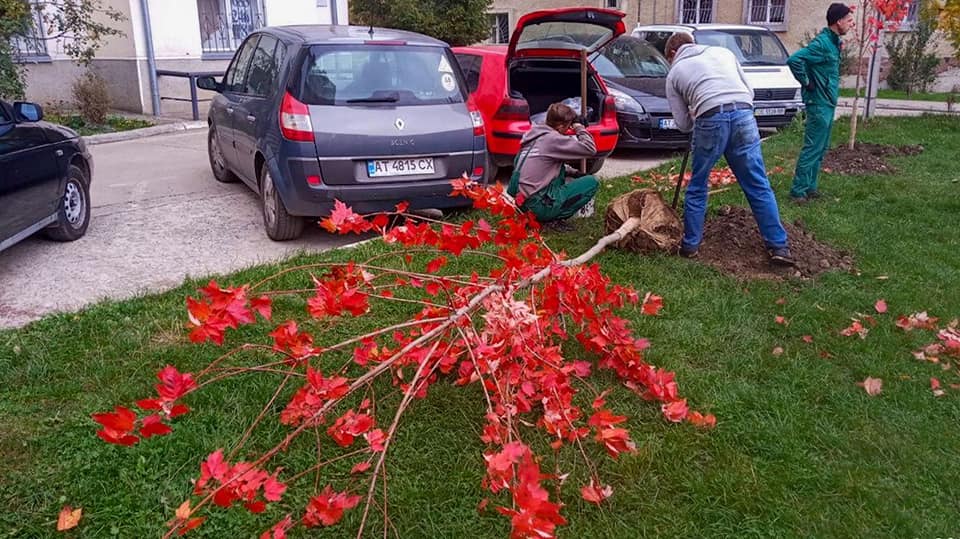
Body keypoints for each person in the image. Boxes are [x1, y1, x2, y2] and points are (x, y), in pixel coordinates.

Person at [664, 32, 794, 266]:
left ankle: (691, 246)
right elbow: (749, 92)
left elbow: (683, 125)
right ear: (692, 44)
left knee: (698, 185)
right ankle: (779, 246)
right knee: (757, 183)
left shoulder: (675, 71)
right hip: (744, 114)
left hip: (710, 119)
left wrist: (696, 112)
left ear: (673, 54)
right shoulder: (724, 53)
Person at [786, 3, 856, 203]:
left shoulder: (834, 42)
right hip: (818, 102)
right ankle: (798, 191)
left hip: (827, 100)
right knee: (812, 147)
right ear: (838, 21)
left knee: (821, 147)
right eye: (849, 20)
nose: (851, 24)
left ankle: (810, 187)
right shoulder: (822, 43)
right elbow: (795, 60)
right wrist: (807, 82)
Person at [508, 103, 599, 228]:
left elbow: (544, 166)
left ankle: (542, 214)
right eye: (568, 127)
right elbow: (590, 149)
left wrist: (574, 173)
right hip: (537, 207)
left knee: (560, 167)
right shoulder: (552, 139)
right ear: (561, 126)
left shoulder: (532, 136)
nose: (568, 131)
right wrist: (579, 127)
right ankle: (552, 218)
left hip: (521, 204)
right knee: (591, 182)